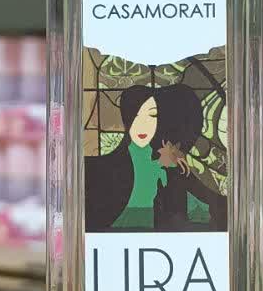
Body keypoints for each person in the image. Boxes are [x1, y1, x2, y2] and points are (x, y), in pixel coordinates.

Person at [84, 81, 226, 232]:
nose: (143, 124)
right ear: (127, 118)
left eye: (152, 115)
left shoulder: (168, 161)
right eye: (136, 115)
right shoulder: (104, 167)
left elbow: (205, 202)